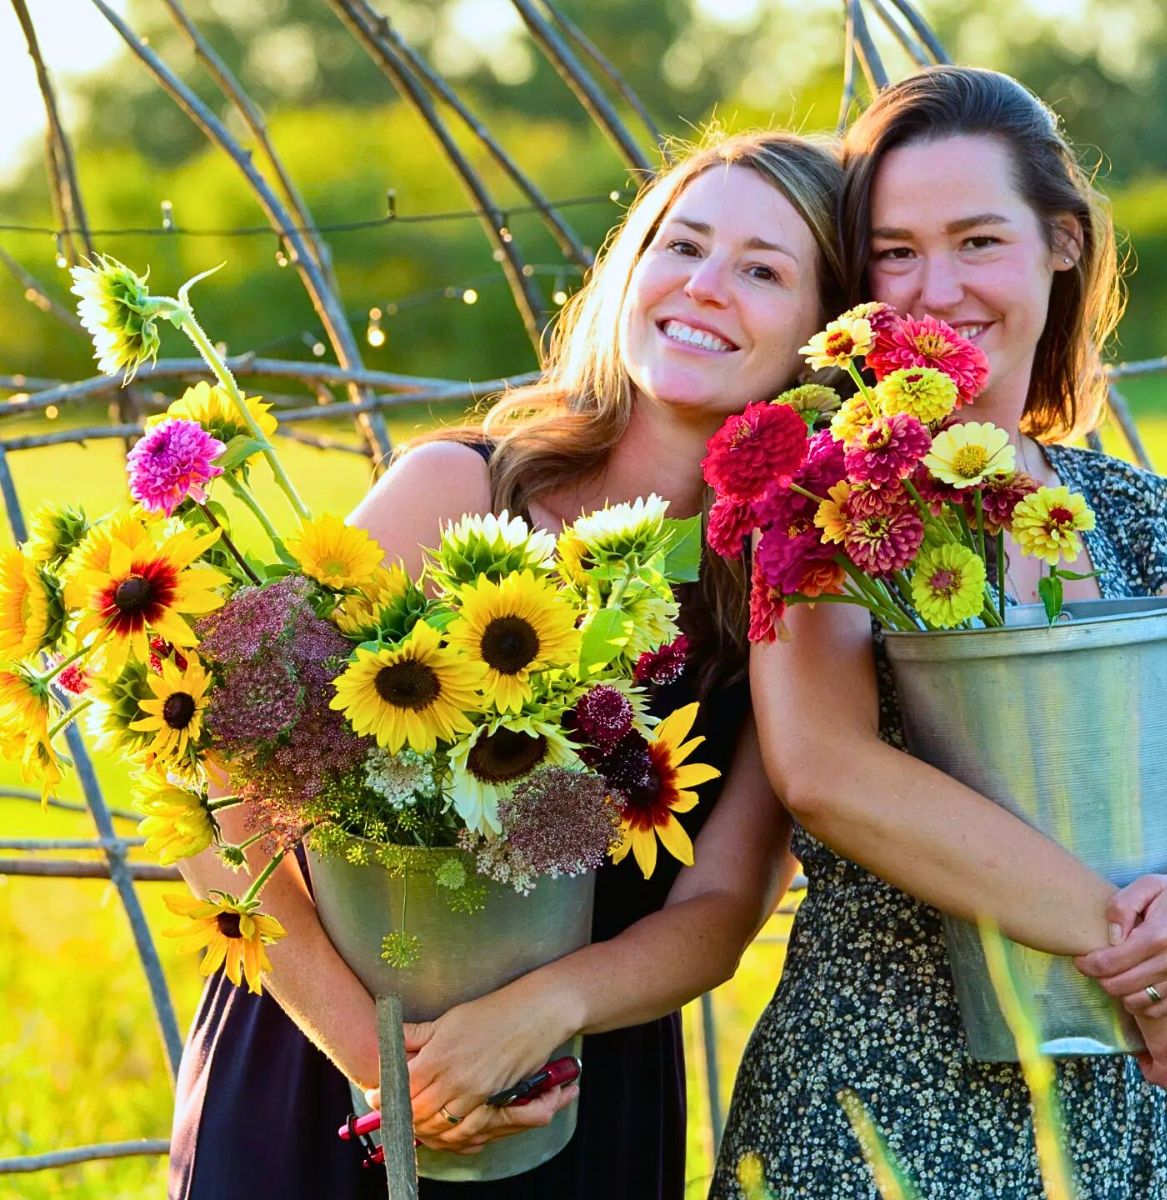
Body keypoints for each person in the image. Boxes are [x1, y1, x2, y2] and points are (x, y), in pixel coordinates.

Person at [169, 128, 846, 1200]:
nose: (705, 287)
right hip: (319, 1072)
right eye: (682, 244)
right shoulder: (461, 496)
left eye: (764, 270)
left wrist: (541, 1013)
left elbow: (719, 905)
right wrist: (383, 1068)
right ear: (631, 266)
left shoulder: (778, 596)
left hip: (575, 1088)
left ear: (825, 335)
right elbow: (220, 790)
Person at [710, 66, 1167, 1199]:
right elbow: (827, 771)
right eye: (895, 252)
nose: (937, 289)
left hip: (1127, 1102)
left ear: (1062, 244)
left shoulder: (1123, 510)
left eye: (979, 240)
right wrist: (1141, 955)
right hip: (887, 1095)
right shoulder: (825, 487)